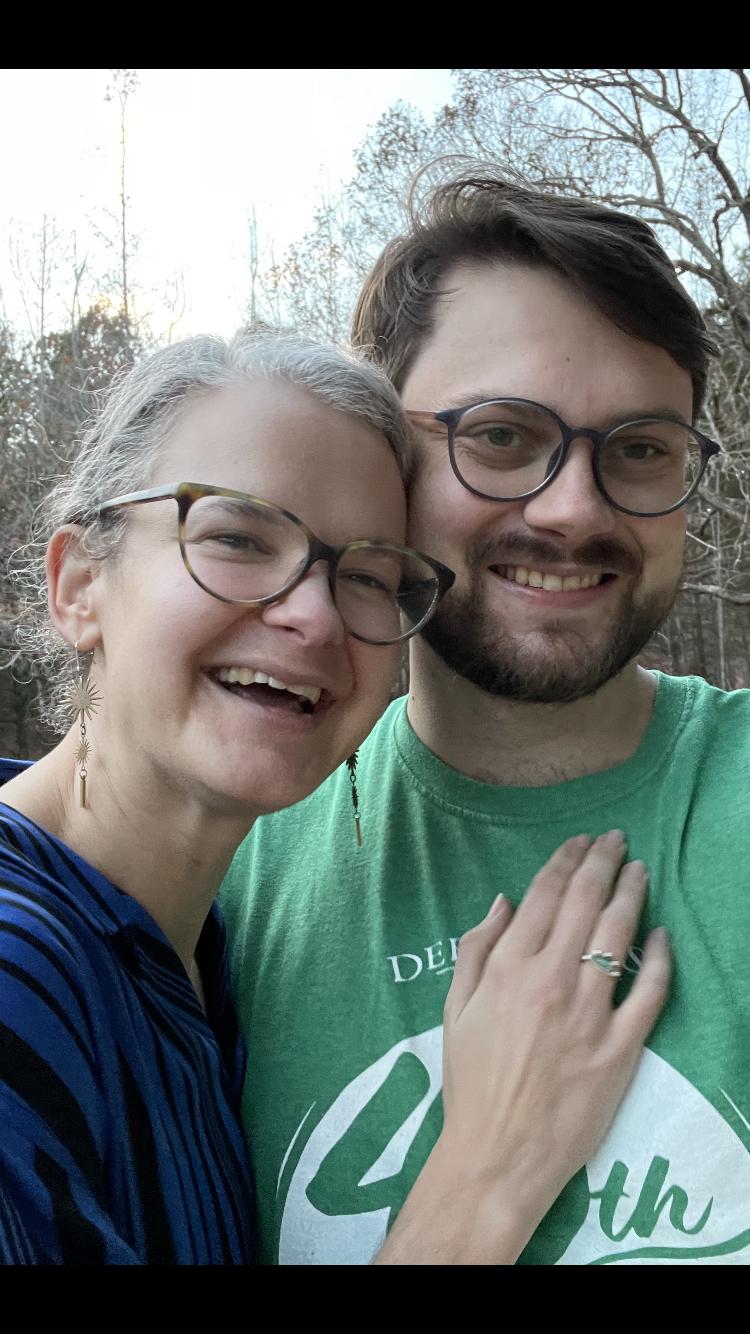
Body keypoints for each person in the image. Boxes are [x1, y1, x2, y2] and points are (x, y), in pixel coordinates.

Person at [0, 329, 668, 1265]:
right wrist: (487, 1175)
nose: (312, 616)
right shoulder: (17, 978)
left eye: (367, 578)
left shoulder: (215, 947)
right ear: (78, 584)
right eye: (236, 537)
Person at [221, 174, 750, 1266]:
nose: (574, 507)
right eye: (502, 434)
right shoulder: (226, 867)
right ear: (380, 456)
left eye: (642, 447)